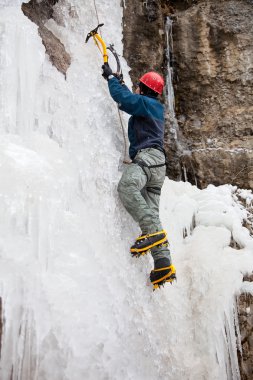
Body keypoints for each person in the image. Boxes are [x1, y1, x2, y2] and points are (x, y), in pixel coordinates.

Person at [102, 63, 176, 289]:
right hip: (158, 167)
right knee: (152, 211)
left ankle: (152, 235)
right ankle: (163, 263)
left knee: (127, 187)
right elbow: (132, 99)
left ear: (143, 88)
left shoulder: (146, 103)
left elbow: (124, 100)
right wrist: (121, 82)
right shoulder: (153, 106)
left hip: (148, 159)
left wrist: (111, 79)